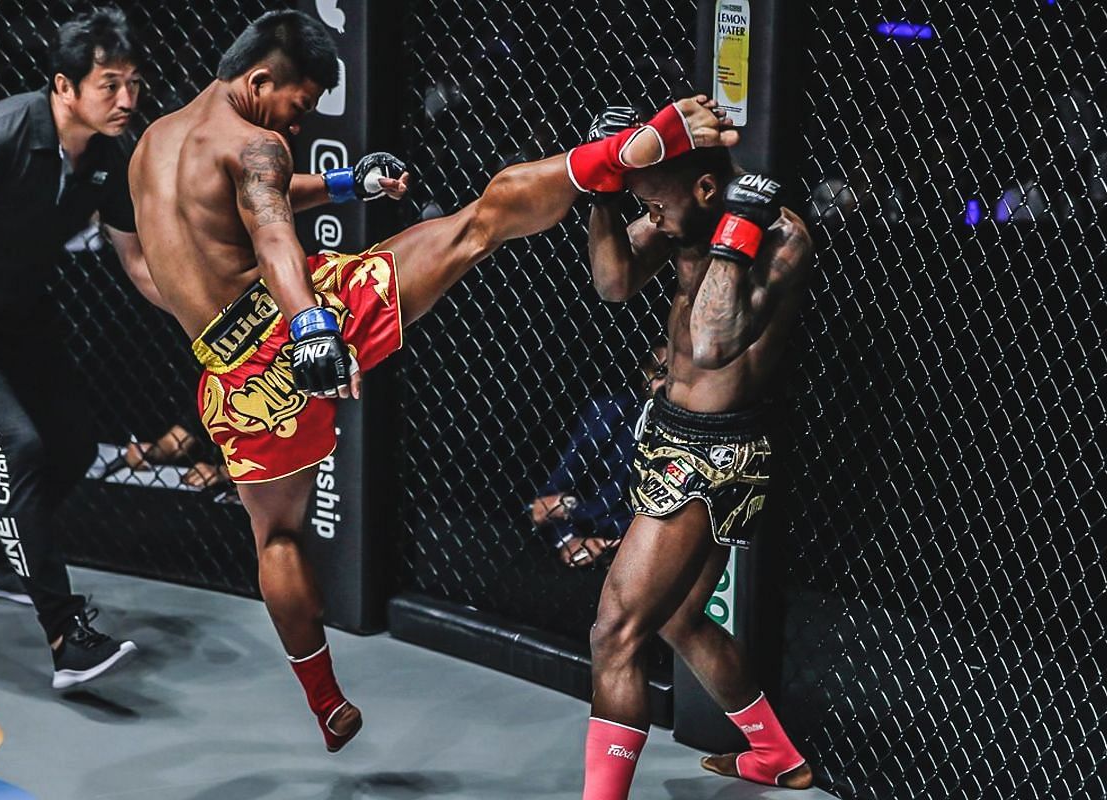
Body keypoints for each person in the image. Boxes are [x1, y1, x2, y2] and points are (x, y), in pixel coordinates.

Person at [128, 9, 734, 753]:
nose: (304, 118)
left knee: (278, 537)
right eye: (303, 102)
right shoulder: (255, 144)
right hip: (297, 315)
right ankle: (619, 151)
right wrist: (312, 327)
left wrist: (348, 183)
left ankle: (326, 703)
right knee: (478, 223)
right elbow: (271, 226)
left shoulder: (154, 143)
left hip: (229, 374)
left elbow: (229, 213)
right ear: (261, 81)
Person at [0, 7, 162, 690]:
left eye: (133, 83)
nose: (126, 100)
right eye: (109, 85)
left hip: (19, 315)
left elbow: (137, 262)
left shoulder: (112, 154)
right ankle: (65, 634)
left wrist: (210, 324)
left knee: (74, 442)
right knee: (17, 448)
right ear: (63, 86)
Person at [578, 118, 816, 794]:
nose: (648, 217)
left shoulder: (780, 236)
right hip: (677, 437)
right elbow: (615, 284)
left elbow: (714, 344)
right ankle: (778, 757)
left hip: (713, 452)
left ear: (707, 186)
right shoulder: (681, 219)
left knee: (614, 634)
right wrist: (600, 191)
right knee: (680, 619)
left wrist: (737, 228)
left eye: (654, 203)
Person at [531, 344, 667, 568]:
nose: (669, 384)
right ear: (645, 376)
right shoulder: (609, 413)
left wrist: (573, 509)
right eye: (661, 372)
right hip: (595, 542)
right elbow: (546, 503)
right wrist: (569, 539)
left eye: (681, 376)